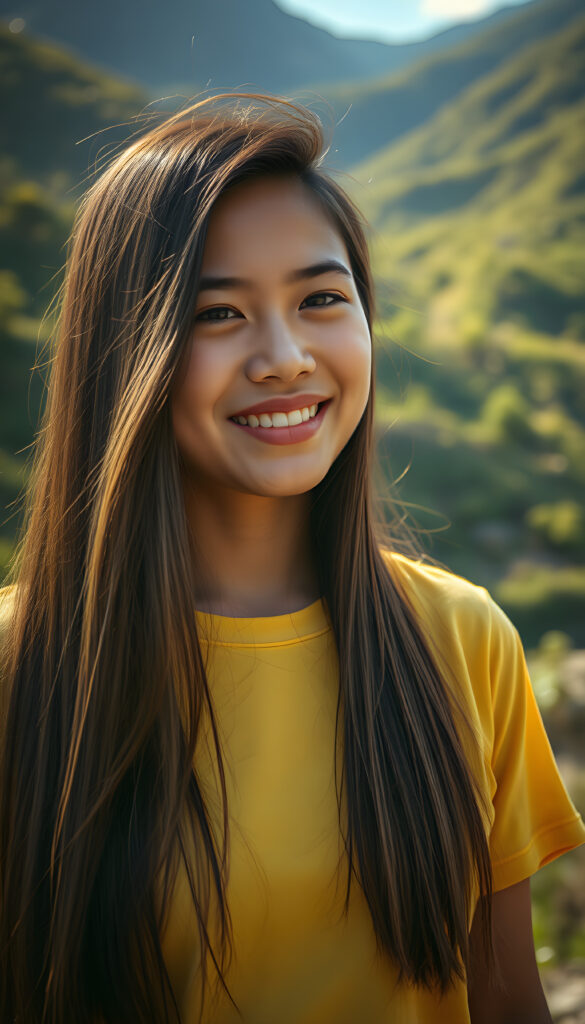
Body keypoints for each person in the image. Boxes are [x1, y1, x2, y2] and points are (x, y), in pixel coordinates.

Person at [0, 92, 583, 1024]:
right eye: (217, 313)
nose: (283, 357)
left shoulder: (462, 639)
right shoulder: (20, 664)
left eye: (320, 299)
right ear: (124, 352)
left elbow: (507, 997)